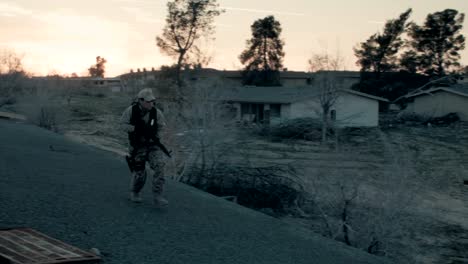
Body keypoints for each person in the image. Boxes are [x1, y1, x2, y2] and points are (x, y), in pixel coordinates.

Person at [121, 88, 169, 207]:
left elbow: (162, 127)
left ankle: (158, 196)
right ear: (140, 101)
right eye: (148, 101)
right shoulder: (131, 111)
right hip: (137, 146)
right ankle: (135, 192)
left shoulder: (156, 112)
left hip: (153, 146)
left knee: (160, 167)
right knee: (139, 172)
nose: (150, 103)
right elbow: (122, 125)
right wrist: (136, 129)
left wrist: (156, 136)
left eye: (152, 101)